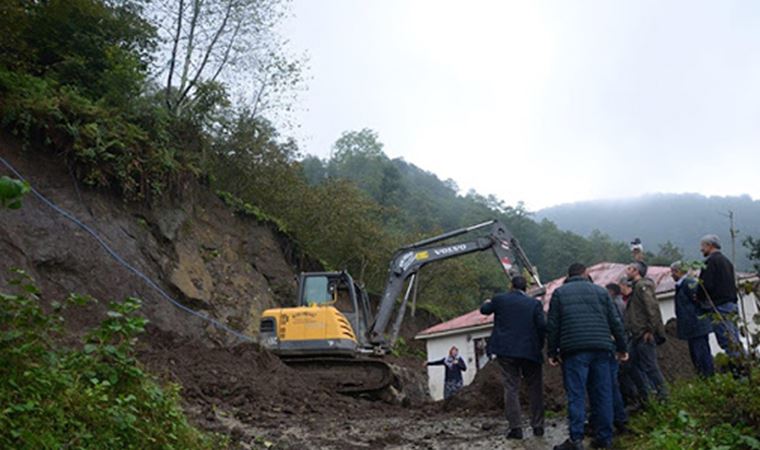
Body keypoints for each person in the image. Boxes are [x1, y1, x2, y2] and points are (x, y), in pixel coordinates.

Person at [547, 263, 628, 450]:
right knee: (603, 394)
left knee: (576, 395)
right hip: (602, 348)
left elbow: (553, 325)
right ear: (586, 274)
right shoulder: (601, 292)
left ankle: (576, 440)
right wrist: (622, 348)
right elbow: (615, 322)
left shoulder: (560, 294)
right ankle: (604, 439)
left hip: (574, 351)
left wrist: (552, 352)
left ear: (568, 275)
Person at [480, 276, 546, 440]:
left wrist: (487, 301)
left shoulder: (500, 300)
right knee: (535, 389)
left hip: (507, 351)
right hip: (530, 351)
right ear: (526, 288)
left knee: (511, 388)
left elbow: (484, 310)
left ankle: (516, 428)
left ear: (511, 286)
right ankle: (538, 426)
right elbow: (542, 326)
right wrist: (539, 345)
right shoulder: (534, 304)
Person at [625, 261, 668, 402]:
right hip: (636, 335)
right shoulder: (636, 288)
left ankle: (664, 396)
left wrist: (650, 330)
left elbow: (652, 308)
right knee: (631, 365)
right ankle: (647, 396)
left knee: (650, 366)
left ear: (636, 271)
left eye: (630, 269)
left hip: (644, 334)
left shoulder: (643, 286)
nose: (627, 271)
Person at [697, 234, 744, 358]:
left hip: (720, 306)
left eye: (703, 246)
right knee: (735, 339)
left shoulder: (710, 262)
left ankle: (739, 371)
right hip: (732, 305)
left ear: (709, 245)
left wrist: (699, 297)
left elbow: (705, 285)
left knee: (727, 341)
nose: (701, 249)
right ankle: (746, 366)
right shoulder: (727, 261)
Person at [671, 261, 714, 377]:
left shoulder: (688, 284)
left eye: (673, 272)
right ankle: (704, 377)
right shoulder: (682, 285)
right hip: (693, 327)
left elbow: (701, 300)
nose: (671, 275)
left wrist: (698, 317)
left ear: (678, 271)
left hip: (696, 326)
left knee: (701, 355)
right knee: (696, 355)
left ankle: (708, 378)